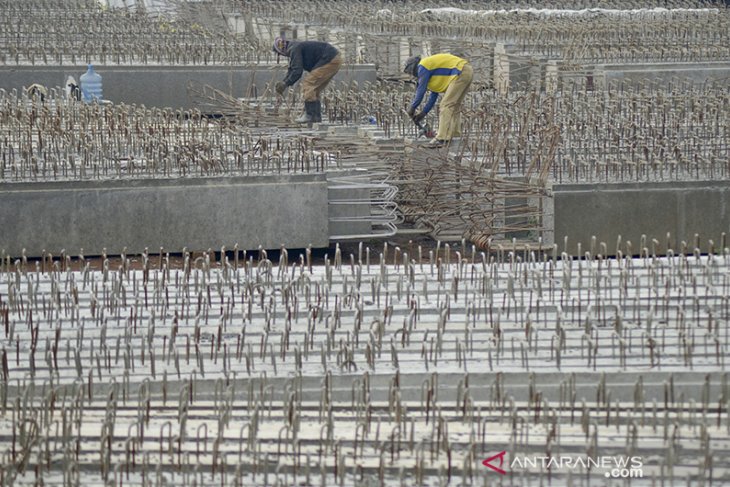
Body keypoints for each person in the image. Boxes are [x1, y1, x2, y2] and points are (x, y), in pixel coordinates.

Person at [404, 53, 473, 148]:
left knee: (446, 105)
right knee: (454, 106)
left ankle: (442, 138)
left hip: (460, 71)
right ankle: (455, 134)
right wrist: (423, 113)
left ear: (412, 67)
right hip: (467, 71)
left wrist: (412, 108)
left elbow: (421, 91)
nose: (412, 75)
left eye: (410, 72)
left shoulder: (422, 66)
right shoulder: (431, 71)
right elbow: (433, 97)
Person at [273, 37, 343, 124]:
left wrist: (286, 84)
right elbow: (293, 68)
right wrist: (284, 82)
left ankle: (310, 116)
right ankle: (316, 117)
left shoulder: (295, 49)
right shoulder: (295, 47)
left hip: (329, 59)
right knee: (315, 89)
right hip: (334, 58)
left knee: (308, 84)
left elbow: (297, 71)